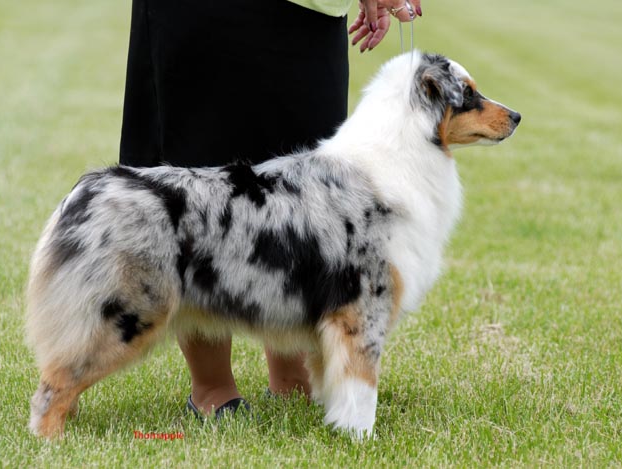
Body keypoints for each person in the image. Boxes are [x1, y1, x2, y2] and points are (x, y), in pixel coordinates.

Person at [119, 0, 421, 417]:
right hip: (200, 14)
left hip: (306, 16)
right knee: (196, 189)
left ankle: (292, 376)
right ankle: (212, 387)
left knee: (309, 192)